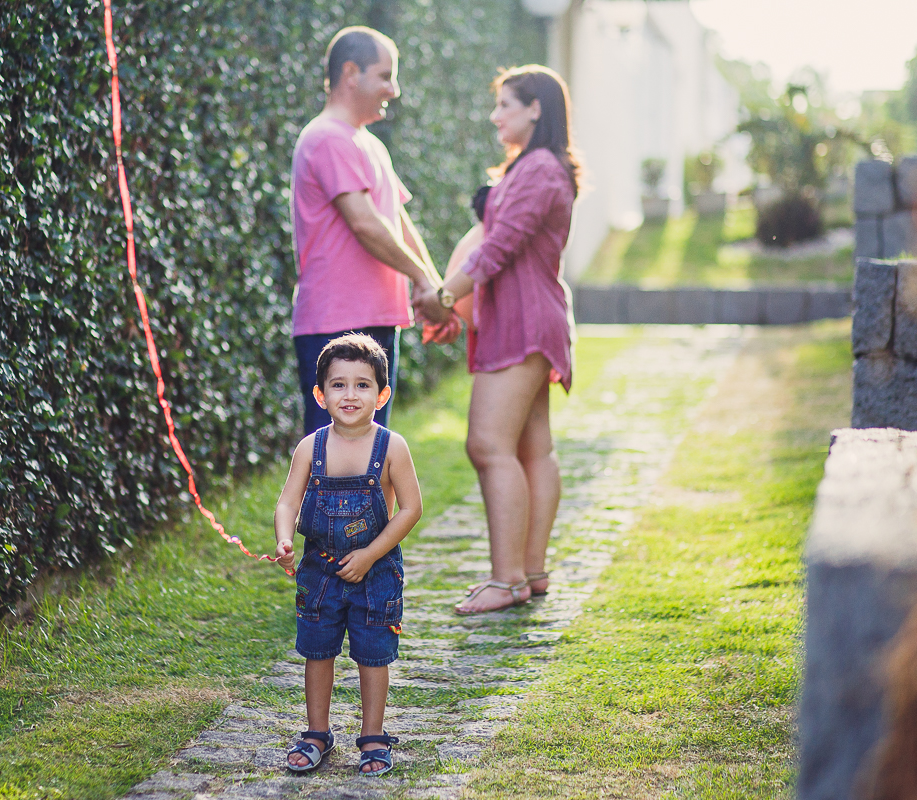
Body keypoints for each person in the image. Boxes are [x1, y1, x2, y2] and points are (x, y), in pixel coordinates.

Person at [413, 65, 581, 615]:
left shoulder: (539, 170)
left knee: (487, 445)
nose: (496, 115)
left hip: (523, 321)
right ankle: (529, 573)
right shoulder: (534, 167)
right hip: (527, 317)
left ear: (537, 108)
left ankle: (507, 579)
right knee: (533, 447)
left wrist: (441, 296)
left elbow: (496, 250)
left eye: (506, 104)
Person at [290, 26, 453, 436]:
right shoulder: (327, 137)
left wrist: (435, 289)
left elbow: (397, 221)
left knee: (371, 455)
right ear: (351, 73)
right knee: (333, 460)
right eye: (385, 76)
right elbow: (365, 223)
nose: (394, 89)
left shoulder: (369, 143)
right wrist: (421, 279)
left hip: (374, 318)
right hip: (337, 323)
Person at [274, 334, 422, 775]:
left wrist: (371, 555)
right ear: (320, 395)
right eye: (338, 385)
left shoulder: (391, 447)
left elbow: (412, 509)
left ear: (383, 393)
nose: (351, 394)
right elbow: (287, 502)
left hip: (375, 570)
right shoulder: (311, 447)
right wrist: (284, 539)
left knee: (372, 652)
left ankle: (373, 735)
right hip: (320, 569)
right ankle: (317, 731)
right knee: (317, 650)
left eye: (363, 385)